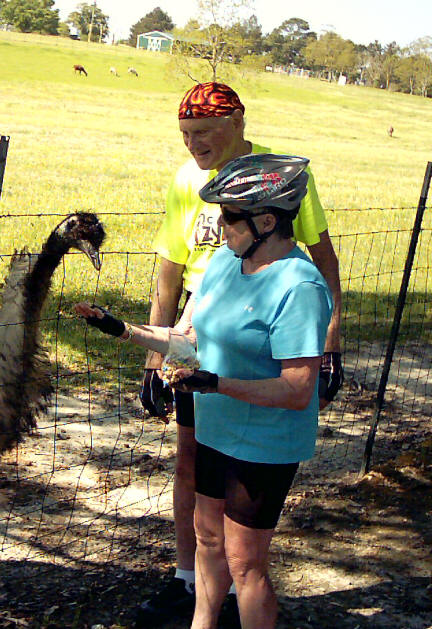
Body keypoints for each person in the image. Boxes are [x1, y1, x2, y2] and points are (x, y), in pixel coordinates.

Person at [74, 153, 333, 629]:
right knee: (207, 541)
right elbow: (187, 339)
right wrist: (120, 329)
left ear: (267, 221)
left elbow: (297, 390)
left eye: (230, 216)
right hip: (217, 429)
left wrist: (213, 383)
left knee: (245, 564)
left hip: (264, 445)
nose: (219, 225)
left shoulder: (301, 287)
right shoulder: (221, 263)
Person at [137, 82, 343, 626]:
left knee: (244, 542)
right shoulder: (189, 188)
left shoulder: (280, 184)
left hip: (258, 343)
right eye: (184, 135)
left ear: (237, 122)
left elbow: (320, 257)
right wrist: (154, 353)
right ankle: (192, 585)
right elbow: (171, 271)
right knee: (196, 471)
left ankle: (237, 596)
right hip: (206, 328)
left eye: (202, 132)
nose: (193, 145)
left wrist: (331, 342)